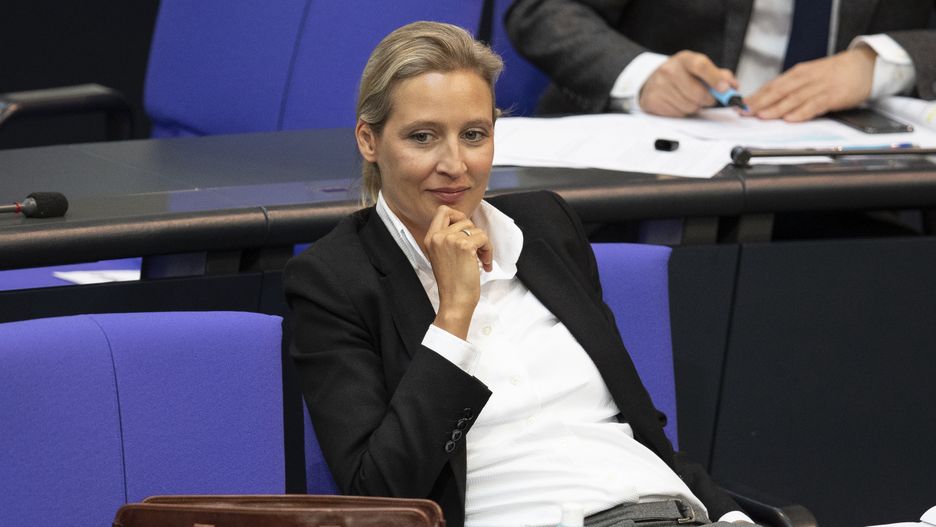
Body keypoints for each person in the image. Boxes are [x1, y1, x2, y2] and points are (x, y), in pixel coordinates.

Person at [284, 21, 755, 527]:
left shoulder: (547, 225)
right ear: (369, 141)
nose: (454, 164)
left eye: (474, 135)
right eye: (423, 137)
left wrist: (732, 517)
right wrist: (454, 316)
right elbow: (380, 491)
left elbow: (643, 426)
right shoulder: (332, 279)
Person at [505, 0, 936, 120]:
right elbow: (545, 10)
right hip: (657, 171)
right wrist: (645, 75)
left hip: (864, 184)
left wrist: (884, 62)